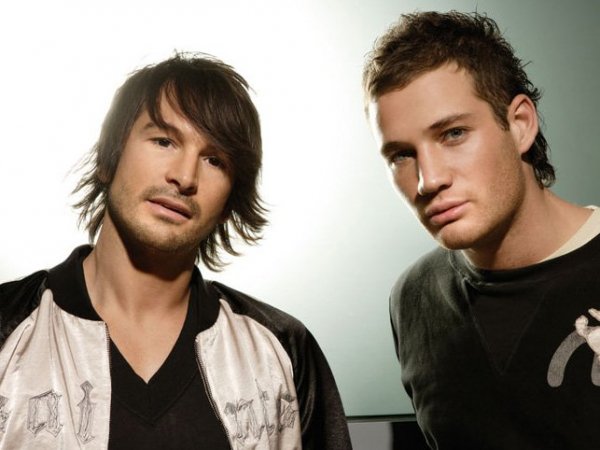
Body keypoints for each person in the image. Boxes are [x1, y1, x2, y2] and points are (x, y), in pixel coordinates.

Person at [0, 53, 351, 449]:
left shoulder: (281, 348)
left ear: (229, 202)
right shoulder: (9, 328)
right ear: (108, 158)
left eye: (215, 160)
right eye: (164, 141)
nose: (184, 176)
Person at [363, 11, 600, 449]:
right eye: (401, 155)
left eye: (453, 133)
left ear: (521, 124)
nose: (428, 180)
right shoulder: (413, 298)